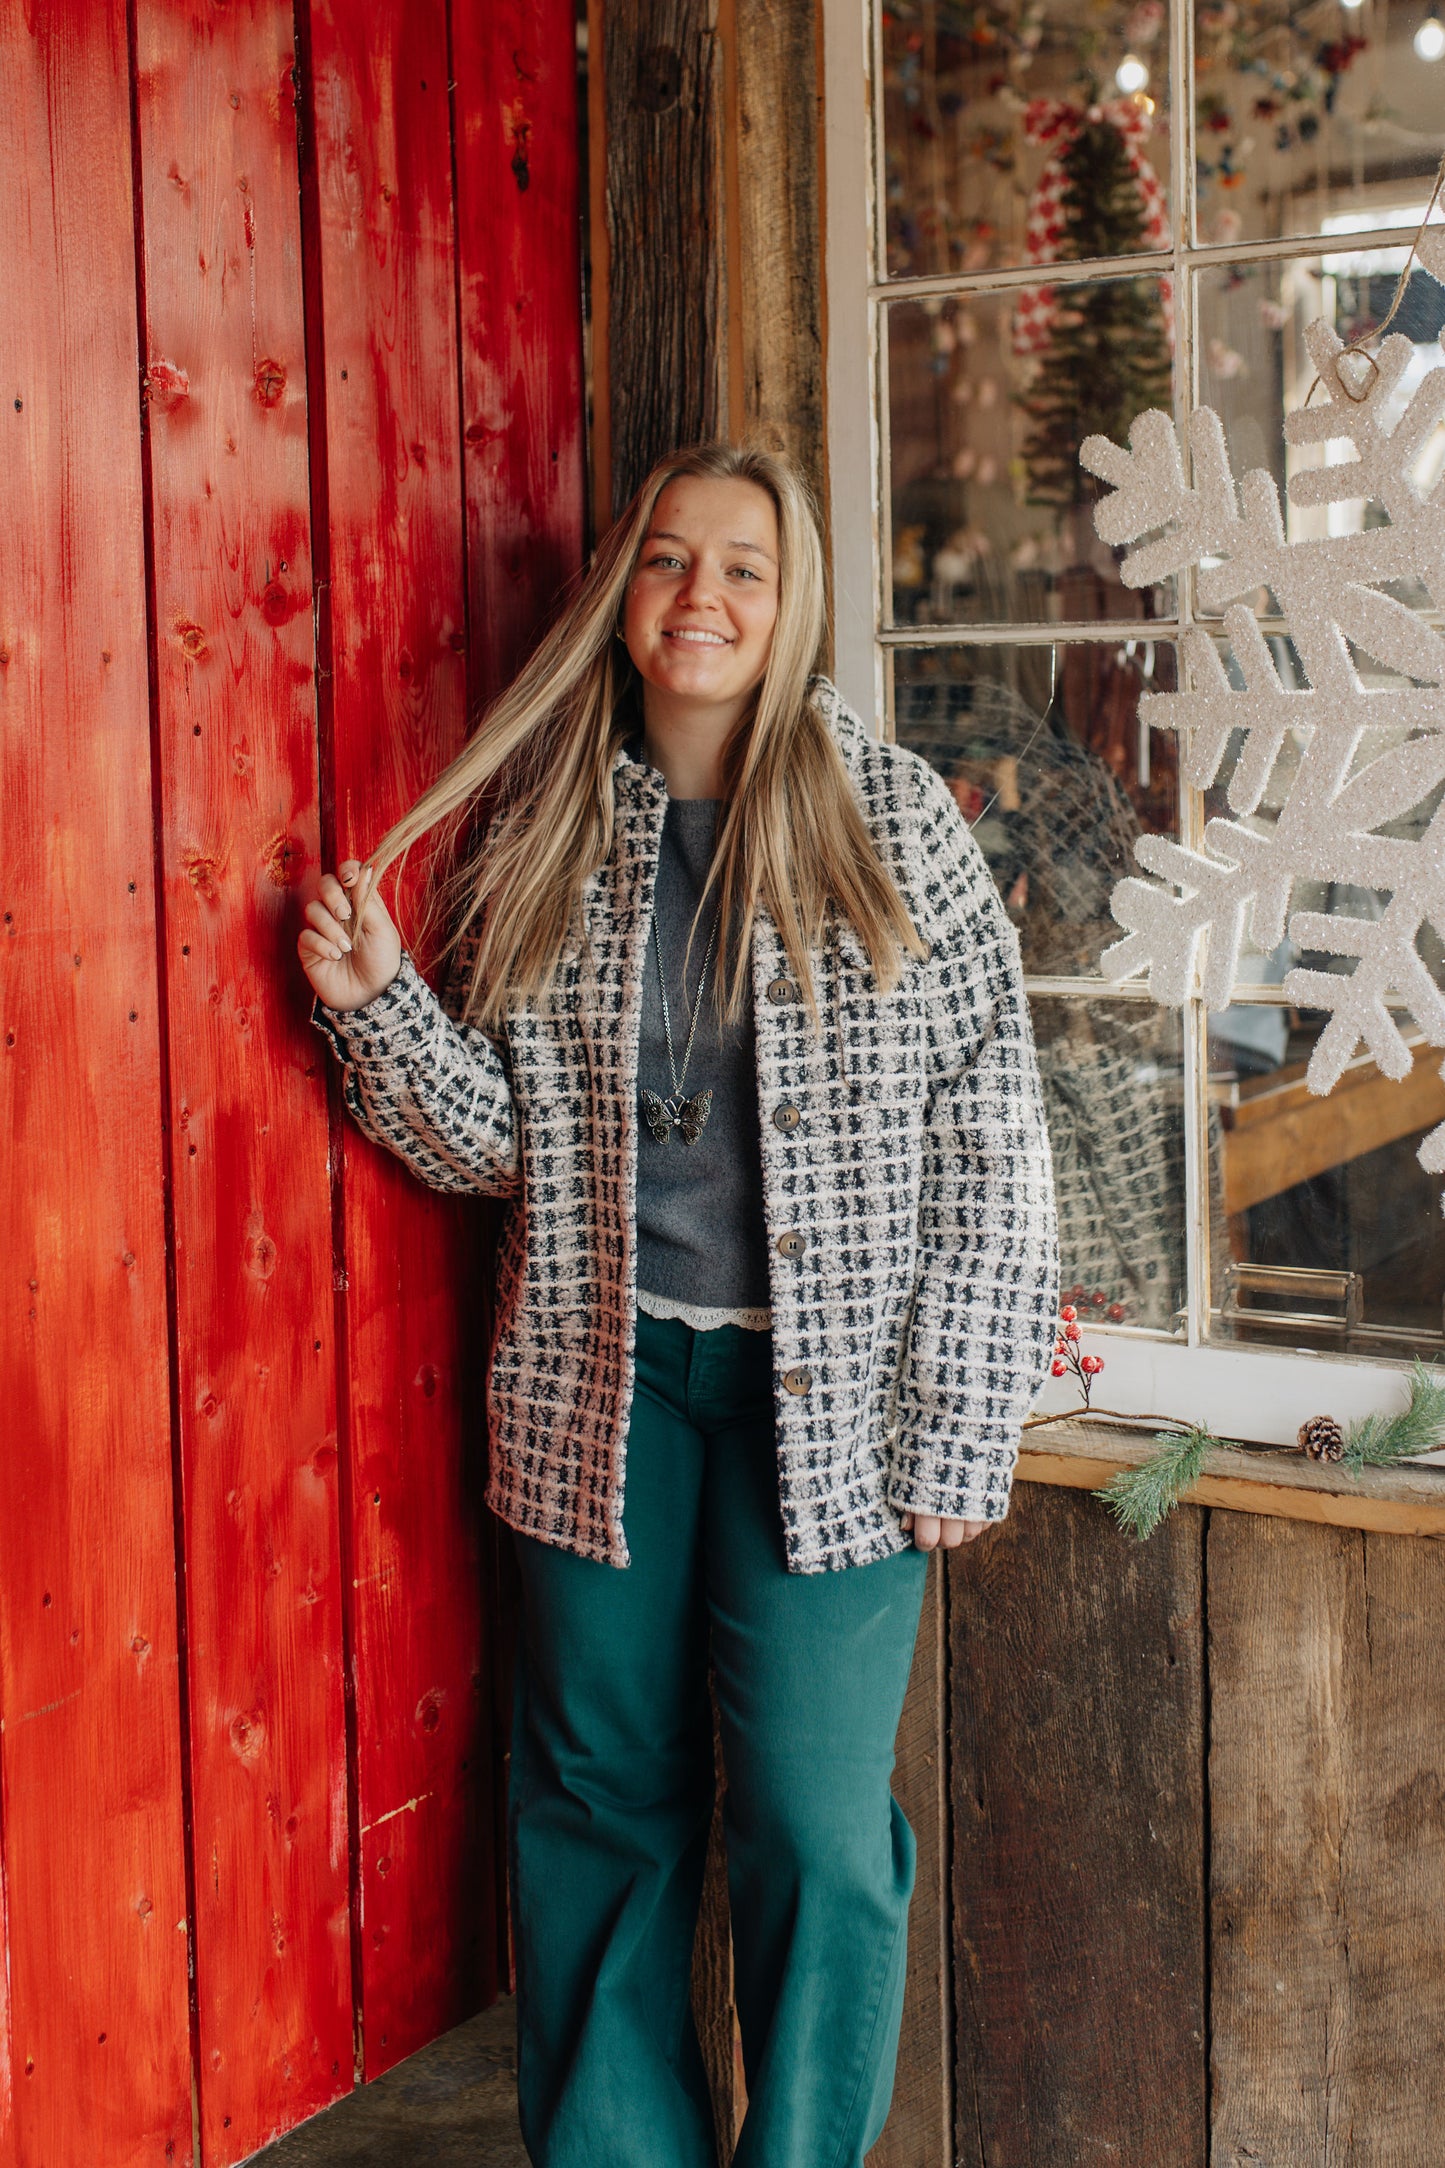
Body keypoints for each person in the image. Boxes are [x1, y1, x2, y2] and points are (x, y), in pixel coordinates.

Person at [297, 443, 1057, 2168]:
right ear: (621, 599)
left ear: (791, 614)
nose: (698, 596)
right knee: (596, 1809)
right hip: (599, 1385)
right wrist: (376, 1005)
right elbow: (503, 1144)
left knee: (805, 1818)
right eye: (665, 560)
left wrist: (962, 1418)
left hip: (836, 1405)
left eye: (742, 567)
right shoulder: (553, 826)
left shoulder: (891, 819)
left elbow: (988, 1132)